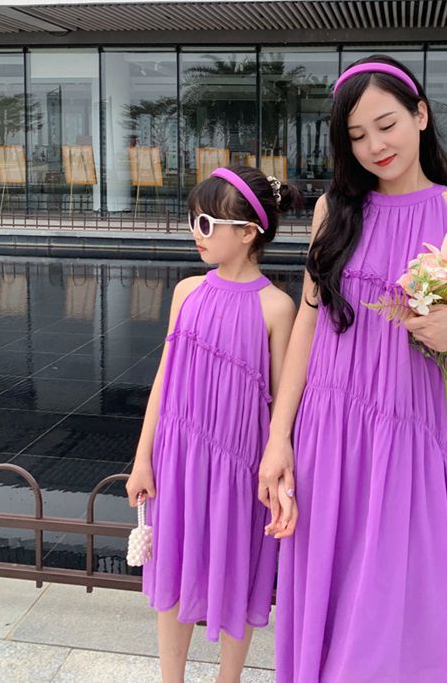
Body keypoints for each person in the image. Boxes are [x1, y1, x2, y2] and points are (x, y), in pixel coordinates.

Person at [259, 55, 447, 682]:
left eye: (386, 125)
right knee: (343, 586)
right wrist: (279, 437)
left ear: (420, 116)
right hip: (335, 425)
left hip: (421, 426)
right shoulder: (334, 211)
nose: (375, 146)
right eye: (357, 135)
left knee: (418, 592)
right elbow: (307, 326)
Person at [126, 164, 299, 683]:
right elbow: (164, 380)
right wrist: (142, 459)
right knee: (172, 571)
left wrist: (278, 472)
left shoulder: (277, 307)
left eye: (205, 223)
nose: (195, 233)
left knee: (236, 570)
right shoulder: (186, 292)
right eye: (193, 220)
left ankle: (229, 678)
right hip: (177, 459)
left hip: (239, 469)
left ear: (247, 232)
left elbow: (282, 405)